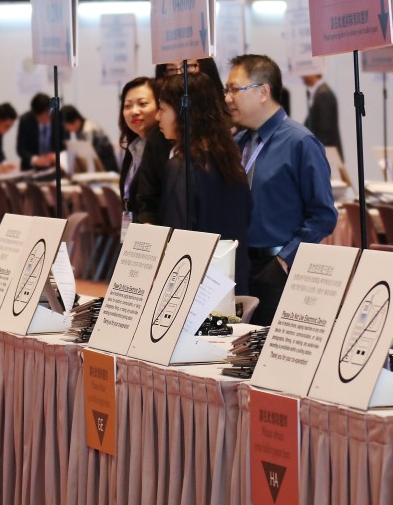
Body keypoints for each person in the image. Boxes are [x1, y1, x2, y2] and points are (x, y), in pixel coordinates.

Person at [225, 54, 337, 325]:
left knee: (267, 354)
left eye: (234, 89)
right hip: (237, 266)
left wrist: (285, 261)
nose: (227, 98)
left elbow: (323, 215)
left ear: (263, 91)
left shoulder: (300, 142)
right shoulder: (238, 142)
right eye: (225, 90)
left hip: (276, 269)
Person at [152, 73, 253, 292]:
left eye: (163, 109)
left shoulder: (182, 165)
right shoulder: (230, 159)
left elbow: (177, 236)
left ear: (183, 112)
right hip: (233, 281)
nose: (157, 116)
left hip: (196, 289)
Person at [118, 77, 169, 230]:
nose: (134, 111)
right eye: (127, 106)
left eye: (143, 104)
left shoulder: (162, 145)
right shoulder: (134, 146)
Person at [61, 104, 117, 173]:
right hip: (97, 162)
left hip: (105, 164)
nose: (66, 128)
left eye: (67, 125)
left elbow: (88, 154)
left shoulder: (88, 129)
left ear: (75, 121)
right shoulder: (80, 129)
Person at [301, 73, 342, 158]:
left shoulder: (323, 94)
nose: (302, 77)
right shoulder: (320, 93)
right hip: (324, 153)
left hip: (326, 154)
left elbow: (325, 129)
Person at [16, 92, 60, 170]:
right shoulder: (26, 120)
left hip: (55, 166)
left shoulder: (58, 117)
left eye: (48, 115)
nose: (46, 119)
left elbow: (64, 143)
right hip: (32, 168)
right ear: (34, 115)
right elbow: (21, 149)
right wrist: (35, 159)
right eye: (42, 117)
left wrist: (55, 156)